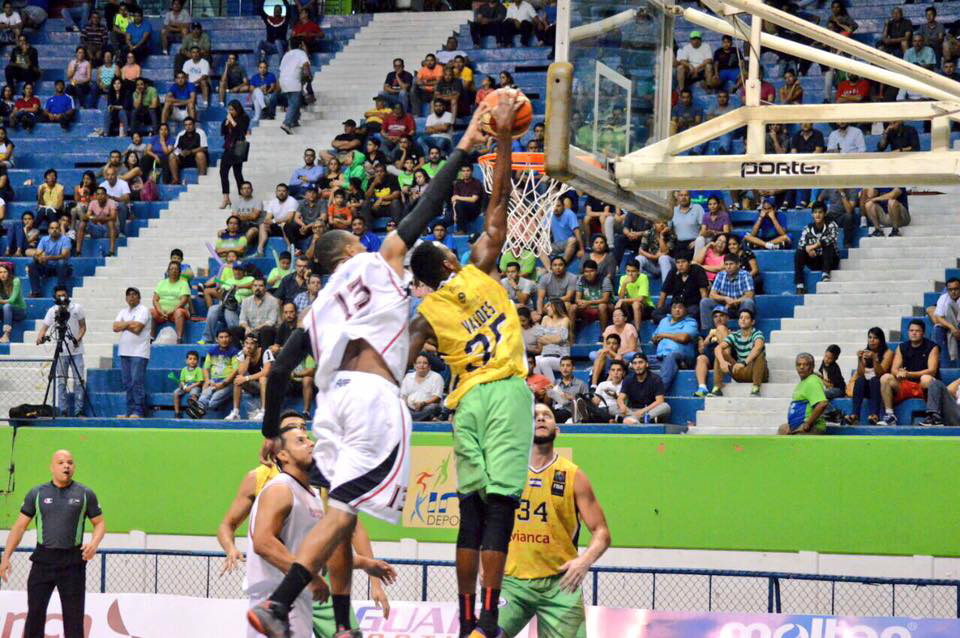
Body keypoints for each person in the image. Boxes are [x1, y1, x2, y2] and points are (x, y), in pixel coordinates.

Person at [248, 89, 508, 638]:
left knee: (341, 513)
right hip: (372, 400)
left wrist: (271, 431)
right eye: (358, 239)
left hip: (332, 405)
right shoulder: (374, 262)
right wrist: (465, 145)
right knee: (343, 513)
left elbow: (278, 371)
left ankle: (340, 624)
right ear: (349, 250)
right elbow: (426, 205)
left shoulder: (318, 308)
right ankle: (279, 603)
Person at [403, 92, 530, 638]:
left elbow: (399, 360)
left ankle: (464, 621)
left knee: (470, 513)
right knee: (500, 509)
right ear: (451, 260)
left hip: (465, 403)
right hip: (504, 392)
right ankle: (491, 619)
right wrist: (503, 138)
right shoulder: (479, 265)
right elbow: (500, 199)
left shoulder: (424, 316)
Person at [219, 418, 393, 632]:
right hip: (273, 595)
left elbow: (320, 553)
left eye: (308, 438)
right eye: (300, 440)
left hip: (299, 601)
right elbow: (263, 543)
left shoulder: (313, 497)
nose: (310, 443)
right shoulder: (280, 489)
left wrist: (367, 564)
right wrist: (310, 578)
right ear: (282, 454)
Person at [499, 403, 610, 638]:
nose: (540, 418)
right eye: (535, 416)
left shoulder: (573, 476)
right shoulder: (507, 473)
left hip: (561, 584)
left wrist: (584, 561)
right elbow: (488, 523)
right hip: (512, 582)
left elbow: (601, 532)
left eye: (547, 416)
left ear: (557, 430)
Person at [0, 450, 104, 638]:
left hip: (72, 563)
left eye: (70, 462)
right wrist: (6, 557)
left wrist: (94, 544)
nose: (66, 466)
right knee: (35, 615)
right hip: (43, 561)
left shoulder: (85, 494)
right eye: (61, 462)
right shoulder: (37, 493)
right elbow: (19, 527)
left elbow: (100, 523)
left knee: (74, 620)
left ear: (74, 467)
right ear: (51, 467)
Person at [879, 319, 939, 426]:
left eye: (917, 331)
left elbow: (932, 371)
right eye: (911, 330)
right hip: (905, 385)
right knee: (885, 377)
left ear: (923, 333)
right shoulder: (902, 347)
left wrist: (909, 374)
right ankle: (890, 415)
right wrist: (899, 374)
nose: (914, 333)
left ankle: (932, 415)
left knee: (926, 378)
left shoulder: (932, 347)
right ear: (908, 332)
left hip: (922, 386)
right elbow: (894, 369)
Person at [112, 286, 150, 418]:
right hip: (124, 351)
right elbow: (115, 327)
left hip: (139, 352)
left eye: (134, 294)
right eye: (129, 294)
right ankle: (129, 411)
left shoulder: (143, 310)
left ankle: (138, 411)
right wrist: (130, 323)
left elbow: (138, 328)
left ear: (139, 297)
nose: (131, 296)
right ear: (126, 298)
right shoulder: (123, 311)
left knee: (136, 381)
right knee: (127, 383)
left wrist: (124, 325)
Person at [710, 308, 766, 397]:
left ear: (752, 322)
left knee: (760, 354)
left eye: (746, 318)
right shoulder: (735, 335)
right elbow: (718, 348)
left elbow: (758, 348)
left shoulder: (757, 333)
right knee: (720, 354)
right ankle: (717, 388)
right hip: (740, 372)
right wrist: (722, 362)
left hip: (757, 372)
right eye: (741, 317)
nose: (743, 320)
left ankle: (756, 388)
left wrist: (744, 363)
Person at [698, 253, 755, 332]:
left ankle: (746, 332)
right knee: (705, 302)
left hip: (739, 306)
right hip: (724, 306)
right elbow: (712, 295)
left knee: (748, 302)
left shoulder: (745, 275)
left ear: (738, 265)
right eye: (726, 264)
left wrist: (734, 301)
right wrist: (725, 298)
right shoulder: (721, 274)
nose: (728, 267)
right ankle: (708, 333)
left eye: (731, 264)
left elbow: (749, 295)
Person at [650, 300, 698, 392]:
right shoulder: (664, 321)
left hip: (680, 356)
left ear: (685, 310)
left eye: (680, 307)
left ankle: (659, 393)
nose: (677, 310)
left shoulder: (690, 322)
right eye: (674, 307)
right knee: (634, 359)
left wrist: (664, 335)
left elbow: (684, 338)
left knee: (670, 357)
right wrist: (655, 339)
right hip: (660, 357)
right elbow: (654, 336)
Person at [191, 329, 240, 416]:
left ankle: (199, 409)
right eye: (221, 337)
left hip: (228, 383)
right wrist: (207, 381)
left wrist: (223, 384)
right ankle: (197, 410)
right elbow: (206, 368)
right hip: (213, 381)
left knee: (212, 403)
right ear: (217, 339)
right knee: (203, 397)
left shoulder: (234, 352)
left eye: (226, 337)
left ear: (230, 338)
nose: (224, 339)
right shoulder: (211, 351)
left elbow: (236, 371)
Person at [778, 353, 829, 435]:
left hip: (810, 427)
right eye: (799, 364)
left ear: (812, 367)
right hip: (797, 425)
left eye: (805, 364)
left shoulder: (812, 381)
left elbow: (822, 404)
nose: (801, 367)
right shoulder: (804, 381)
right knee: (782, 429)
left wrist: (808, 424)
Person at [794, 202, 839, 295]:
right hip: (815, 260)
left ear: (825, 214)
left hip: (831, 260)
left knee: (828, 244)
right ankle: (800, 285)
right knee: (799, 252)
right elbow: (801, 243)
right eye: (815, 212)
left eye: (820, 212)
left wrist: (813, 246)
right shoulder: (808, 228)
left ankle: (825, 274)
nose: (817, 215)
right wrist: (807, 249)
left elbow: (830, 239)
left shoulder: (832, 225)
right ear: (812, 214)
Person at [228, 332, 273, 420]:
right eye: (246, 343)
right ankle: (235, 412)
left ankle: (264, 411)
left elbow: (266, 372)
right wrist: (247, 357)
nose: (249, 346)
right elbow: (241, 372)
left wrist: (246, 378)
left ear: (257, 345)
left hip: (270, 386)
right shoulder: (242, 354)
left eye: (252, 343)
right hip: (255, 385)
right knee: (237, 380)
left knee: (263, 378)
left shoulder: (266, 352)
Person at [617, 353, 669, 424]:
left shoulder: (655, 379)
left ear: (646, 364)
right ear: (632, 366)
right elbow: (620, 398)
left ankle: (633, 419)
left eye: (640, 362)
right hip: (632, 410)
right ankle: (641, 419)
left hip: (649, 410)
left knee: (665, 407)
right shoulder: (628, 379)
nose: (637, 366)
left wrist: (643, 411)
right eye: (635, 363)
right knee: (613, 407)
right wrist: (622, 405)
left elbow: (660, 401)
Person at [693, 306, 730, 397]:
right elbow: (701, 350)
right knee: (701, 358)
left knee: (721, 328)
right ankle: (702, 388)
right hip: (711, 358)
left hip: (725, 357)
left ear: (727, 318)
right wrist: (708, 338)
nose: (718, 318)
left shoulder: (733, 331)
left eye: (721, 315)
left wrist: (717, 334)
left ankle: (717, 387)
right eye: (715, 316)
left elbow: (728, 348)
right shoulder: (707, 333)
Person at [29, 220, 72, 296]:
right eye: (52, 228)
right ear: (48, 230)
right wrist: (39, 258)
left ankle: (60, 290)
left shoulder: (65, 239)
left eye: (56, 228)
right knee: (32, 264)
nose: (54, 230)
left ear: (60, 230)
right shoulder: (44, 239)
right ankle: (35, 291)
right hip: (47, 268)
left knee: (61, 262)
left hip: (62, 269)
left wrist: (48, 257)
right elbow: (38, 253)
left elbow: (64, 255)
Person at [151, 261, 191, 343]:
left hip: (176, 313)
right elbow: (155, 300)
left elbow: (183, 301)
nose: (174, 271)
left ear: (179, 272)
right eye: (171, 269)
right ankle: (151, 338)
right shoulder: (161, 283)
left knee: (179, 312)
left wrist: (171, 311)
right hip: (162, 314)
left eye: (176, 269)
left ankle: (179, 339)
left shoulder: (184, 284)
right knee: (150, 312)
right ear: (168, 271)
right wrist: (161, 312)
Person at [220, 100, 250, 208]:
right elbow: (222, 132)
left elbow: (242, 131)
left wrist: (232, 121)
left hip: (238, 147)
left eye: (232, 109)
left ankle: (242, 197)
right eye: (229, 110)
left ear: (237, 109)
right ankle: (226, 197)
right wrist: (226, 123)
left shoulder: (244, 117)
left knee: (237, 173)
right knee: (223, 172)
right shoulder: (228, 118)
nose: (230, 112)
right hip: (228, 147)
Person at [400, 352, 445, 421]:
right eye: (419, 363)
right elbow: (404, 396)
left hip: (426, 407)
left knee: (434, 407)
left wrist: (423, 404)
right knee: (399, 406)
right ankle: (417, 417)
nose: (421, 365)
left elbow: (437, 398)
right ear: (414, 365)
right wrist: (405, 409)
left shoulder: (436, 377)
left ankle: (411, 418)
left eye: (425, 363)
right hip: (410, 408)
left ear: (429, 366)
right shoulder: (408, 376)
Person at [279, 39, 310, 135]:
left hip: (283, 80)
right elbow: (305, 65)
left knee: (293, 101)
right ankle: (286, 123)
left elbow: (281, 68)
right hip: (293, 80)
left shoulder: (286, 55)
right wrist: (308, 76)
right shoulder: (301, 53)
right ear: (301, 45)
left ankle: (294, 121)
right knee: (294, 103)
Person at [928, 277, 960, 366]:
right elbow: (938, 317)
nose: (953, 292)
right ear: (947, 290)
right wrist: (952, 328)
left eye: (956, 289)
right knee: (937, 329)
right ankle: (938, 362)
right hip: (950, 324)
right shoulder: (944, 298)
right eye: (950, 290)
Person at [169, 116, 209, 184]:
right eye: (186, 125)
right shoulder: (181, 134)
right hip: (184, 159)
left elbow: (204, 148)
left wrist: (190, 152)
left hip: (196, 159)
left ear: (194, 125)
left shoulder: (200, 132)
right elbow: (176, 148)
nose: (188, 127)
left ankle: (202, 179)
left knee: (200, 154)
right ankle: (175, 179)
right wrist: (180, 153)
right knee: (172, 156)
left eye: (190, 124)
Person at [173, 350, 203, 418]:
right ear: (186, 361)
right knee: (176, 393)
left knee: (193, 394)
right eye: (190, 359)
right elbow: (182, 381)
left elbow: (199, 382)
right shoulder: (184, 370)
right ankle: (177, 413)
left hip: (195, 386)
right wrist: (184, 386)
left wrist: (191, 387)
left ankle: (193, 412)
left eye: (195, 359)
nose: (192, 361)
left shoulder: (198, 370)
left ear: (198, 361)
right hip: (186, 386)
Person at [0, 262, 24, 342]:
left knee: (7, 306)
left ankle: (6, 335)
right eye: (0, 272)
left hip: (19, 311)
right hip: (5, 312)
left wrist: (1, 301)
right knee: (5, 307)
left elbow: (12, 300)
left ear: (9, 273)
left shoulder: (15, 281)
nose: (2, 274)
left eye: (5, 272)